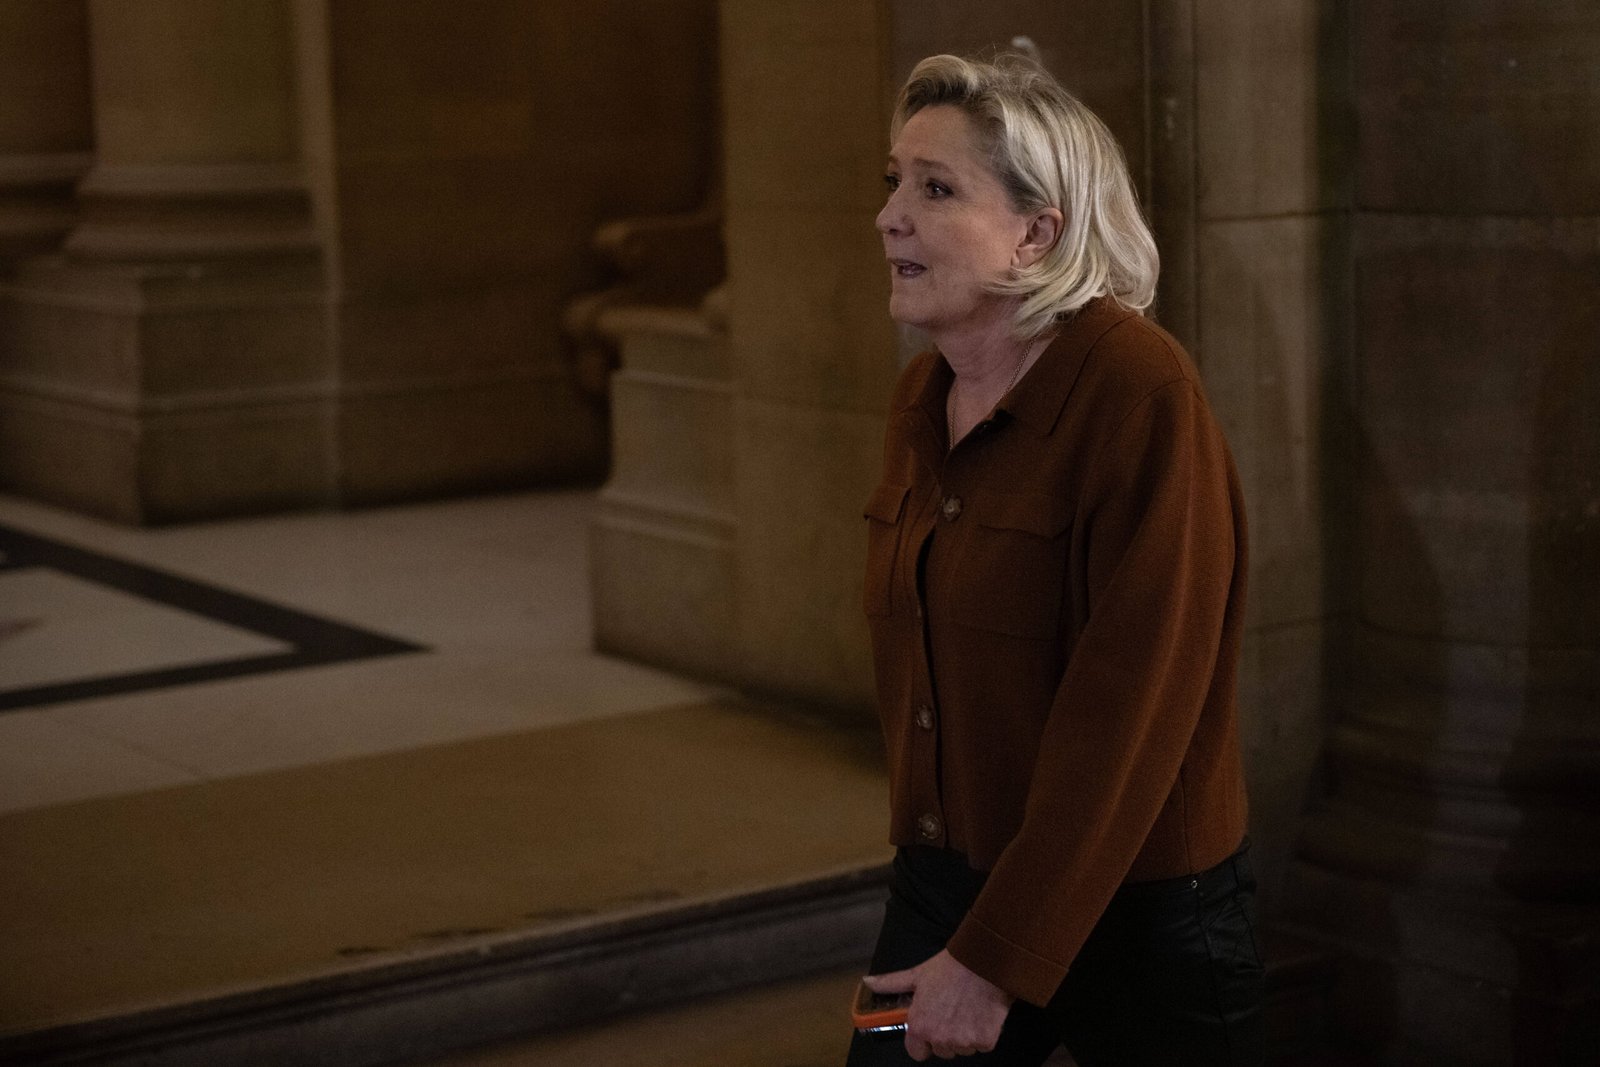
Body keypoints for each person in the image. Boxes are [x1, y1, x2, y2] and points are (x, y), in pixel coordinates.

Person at [849, 53, 1263, 1065]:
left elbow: (1132, 705)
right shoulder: (921, 397)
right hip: (944, 878)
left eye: (935, 189)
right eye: (894, 182)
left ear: (1036, 232)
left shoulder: (1139, 391)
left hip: (1142, 906)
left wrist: (993, 960)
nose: (890, 217)